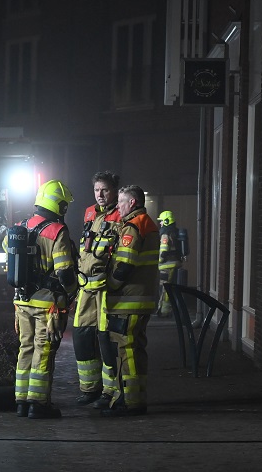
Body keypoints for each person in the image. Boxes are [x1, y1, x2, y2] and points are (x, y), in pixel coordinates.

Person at [9, 179, 78, 419]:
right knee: (44, 351)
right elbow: (64, 271)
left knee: (25, 348)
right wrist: (73, 292)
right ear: (58, 204)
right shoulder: (57, 231)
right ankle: (38, 404)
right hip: (47, 305)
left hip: (21, 302)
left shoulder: (19, 226)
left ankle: (21, 401)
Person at [96, 185, 159, 417]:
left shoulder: (133, 226)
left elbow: (124, 266)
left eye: (121, 202)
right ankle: (137, 395)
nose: (118, 207)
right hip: (141, 299)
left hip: (128, 300)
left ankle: (130, 401)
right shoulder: (146, 223)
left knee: (127, 349)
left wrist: (110, 286)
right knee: (137, 349)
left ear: (131, 203)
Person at [72, 170, 121, 405]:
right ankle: (89, 388)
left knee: (106, 340)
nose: (100, 194)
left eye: (105, 190)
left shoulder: (122, 215)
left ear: (114, 191)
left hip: (106, 291)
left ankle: (109, 392)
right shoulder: (90, 213)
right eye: (96, 190)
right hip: (85, 289)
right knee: (81, 336)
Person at [156, 210, 183, 317]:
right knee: (170, 288)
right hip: (175, 264)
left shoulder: (165, 235)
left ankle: (164, 311)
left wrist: (158, 262)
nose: (160, 223)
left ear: (167, 221)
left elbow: (163, 251)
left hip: (167, 266)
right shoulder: (175, 233)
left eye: (162, 221)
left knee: (165, 288)